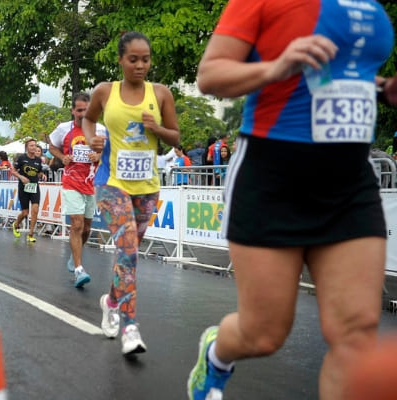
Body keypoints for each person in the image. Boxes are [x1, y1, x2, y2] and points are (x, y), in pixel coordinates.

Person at [186, 2, 393, 400]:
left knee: (356, 336)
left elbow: (344, 73)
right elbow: (210, 75)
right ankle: (216, 354)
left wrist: (382, 88)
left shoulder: (369, 5)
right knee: (262, 334)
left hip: (349, 183)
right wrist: (275, 68)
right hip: (272, 178)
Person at [82, 31, 180, 355]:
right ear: (122, 60)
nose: (140, 65)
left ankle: (110, 301)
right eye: (133, 59)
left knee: (128, 255)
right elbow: (88, 119)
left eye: (146, 59)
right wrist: (91, 138)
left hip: (147, 187)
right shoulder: (105, 92)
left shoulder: (161, 93)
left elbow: (176, 138)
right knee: (128, 252)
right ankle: (130, 327)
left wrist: (157, 130)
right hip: (111, 184)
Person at [49, 92, 107, 288]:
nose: (83, 114)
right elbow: (51, 146)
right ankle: (79, 269)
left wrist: (99, 156)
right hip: (71, 182)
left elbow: (107, 150)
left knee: (87, 228)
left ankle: (75, 257)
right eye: (79, 110)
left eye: (87, 110)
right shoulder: (63, 129)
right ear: (73, 110)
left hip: (91, 183)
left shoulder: (100, 130)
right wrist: (61, 157)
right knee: (77, 224)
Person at [10, 138, 47, 243]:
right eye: (31, 145)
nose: (33, 147)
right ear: (27, 147)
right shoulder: (22, 158)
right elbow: (13, 170)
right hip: (23, 187)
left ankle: (30, 234)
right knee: (25, 213)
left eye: (35, 145)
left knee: (35, 210)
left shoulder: (38, 160)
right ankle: (16, 224)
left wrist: (42, 175)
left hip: (34, 187)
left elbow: (38, 172)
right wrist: (21, 177)